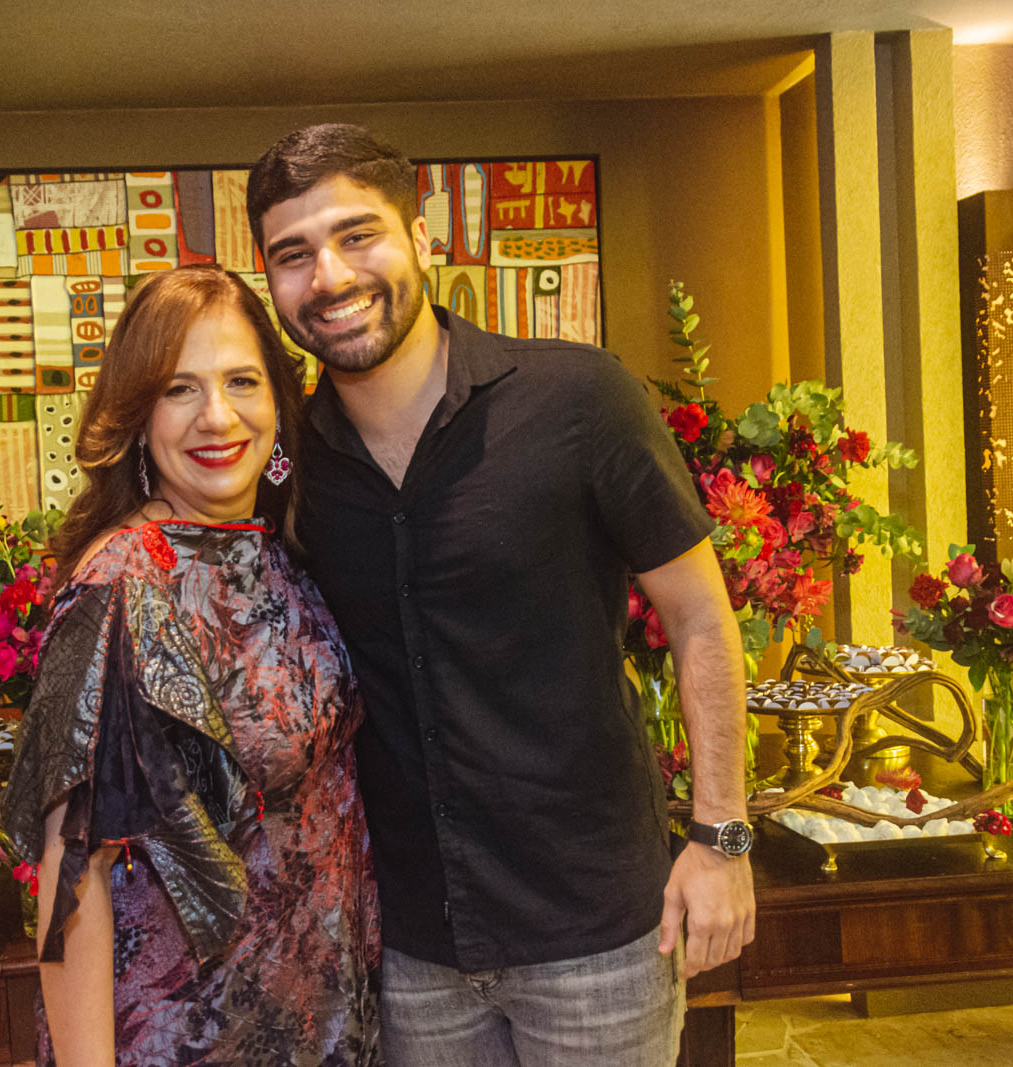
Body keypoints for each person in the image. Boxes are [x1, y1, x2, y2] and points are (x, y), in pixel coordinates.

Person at [246, 124, 754, 1066]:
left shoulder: (579, 399)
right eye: (293, 253)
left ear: (422, 237)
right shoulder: (288, 466)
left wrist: (721, 837)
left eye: (358, 234)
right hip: (408, 948)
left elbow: (700, 617)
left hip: (597, 933)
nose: (329, 275)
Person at [0, 263, 380, 1066]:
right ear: (139, 417)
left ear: (278, 400)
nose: (217, 415)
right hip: (190, 1038)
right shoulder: (123, 586)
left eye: (241, 380)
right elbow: (73, 876)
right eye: (180, 389)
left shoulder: (272, 549)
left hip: (319, 1019)